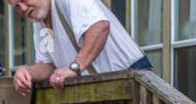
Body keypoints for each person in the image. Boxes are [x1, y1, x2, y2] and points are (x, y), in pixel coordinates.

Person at [9, 0, 151, 95]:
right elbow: (47, 64)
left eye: (23, 0)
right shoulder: (40, 21)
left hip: (133, 79)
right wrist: (26, 72)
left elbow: (99, 27)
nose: (22, 8)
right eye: (16, 6)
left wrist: (74, 68)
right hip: (104, 88)